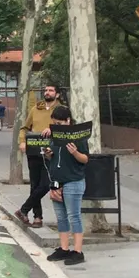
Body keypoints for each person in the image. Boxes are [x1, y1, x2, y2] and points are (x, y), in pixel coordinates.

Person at [43, 106, 90, 265]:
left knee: (73, 216)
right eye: (55, 123)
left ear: (68, 121)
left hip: (73, 180)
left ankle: (77, 251)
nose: (58, 126)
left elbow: (85, 159)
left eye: (60, 123)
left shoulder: (78, 137)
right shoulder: (54, 136)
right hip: (57, 180)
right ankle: (64, 248)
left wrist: (75, 152)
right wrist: (49, 155)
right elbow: (54, 159)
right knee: (61, 216)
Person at [16, 83, 62, 229]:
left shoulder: (62, 110)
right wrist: (22, 142)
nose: (47, 92)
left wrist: (53, 128)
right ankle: (37, 217)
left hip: (51, 152)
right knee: (34, 185)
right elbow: (24, 128)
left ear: (57, 94)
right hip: (34, 151)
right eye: (46, 90)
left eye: (51, 90)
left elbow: (67, 126)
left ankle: (23, 209)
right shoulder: (36, 109)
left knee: (46, 184)